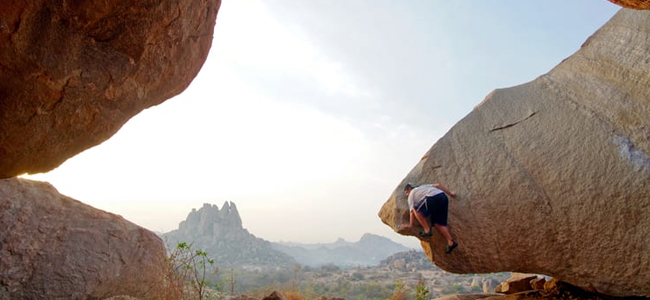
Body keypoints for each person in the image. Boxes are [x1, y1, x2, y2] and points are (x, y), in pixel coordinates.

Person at [402, 182, 458, 254]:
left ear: (409, 189)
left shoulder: (412, 193)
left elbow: (412, 211)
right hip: (443, 197)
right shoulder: (424, 186)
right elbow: (437, 185)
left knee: (416, 210)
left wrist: (410, 225)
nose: (407, 194)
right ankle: (450, 241)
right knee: (438, 223)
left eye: (406, 192)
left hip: (432, 198)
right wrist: (450, 194)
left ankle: (427, 230)